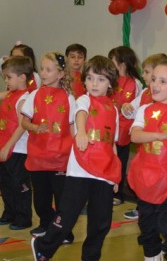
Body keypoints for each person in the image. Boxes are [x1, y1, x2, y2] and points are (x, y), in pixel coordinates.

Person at [31, 55, 121, 261]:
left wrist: (115, 174)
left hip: (104, 173)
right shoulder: (84, 100)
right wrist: (81, 132)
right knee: (67, 216)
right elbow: (81, 114)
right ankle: (44, 248)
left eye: (100, 79)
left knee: (101, 222)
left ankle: (91, 257)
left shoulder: (113, 110)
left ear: (110, 83)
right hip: (80, 171)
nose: (94, 84)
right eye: (90, 78)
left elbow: (111, 144)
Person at [127, 59, 167, 261]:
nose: (155, 85)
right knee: (147, 229)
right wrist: (157, 135)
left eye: (163, 81)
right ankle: (152, 256)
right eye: (154, 79)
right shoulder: (144, 110)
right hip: (145, 182)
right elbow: (135, 136)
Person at [21, 52, 75, 244]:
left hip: (60, 158)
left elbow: (73, 127)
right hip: (38, 157)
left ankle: (64, 231)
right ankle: (46, 223)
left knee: (62, 199)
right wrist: (35, 127)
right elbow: (25, 121)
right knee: (41, 199)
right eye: (42, 68)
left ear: (60, 74)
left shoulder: (68, 98)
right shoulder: (34, 95)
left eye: (48, 70)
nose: (43, 73)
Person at [122, 53, 167, 220]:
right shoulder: (144, 93)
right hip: (144, 146)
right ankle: (142, 206)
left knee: (159, 177)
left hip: (161, 149)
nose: (143, 75)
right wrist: (127, 107)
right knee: (143, 176)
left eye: (147, 72)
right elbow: (133, 112)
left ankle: (159, 207)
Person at [0, 56, 33, 230]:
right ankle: (9, 212)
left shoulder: (24, 99)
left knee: (18, 184)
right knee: (5, 182)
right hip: (5, 147)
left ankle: (23, 216)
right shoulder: (11, 95)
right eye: (4, 77)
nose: (6, 81)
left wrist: (7, 146)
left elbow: (21, 126)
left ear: (22, 77)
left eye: (8, 77)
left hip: (18, 149)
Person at [108, 46, 142, 205]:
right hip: (108, 126)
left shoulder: (135, 83)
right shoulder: (110, 80)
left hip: (123, 128)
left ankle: (118, 192)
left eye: (112, 59)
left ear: (122, 63)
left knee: (120, 161)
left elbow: (136, 106)